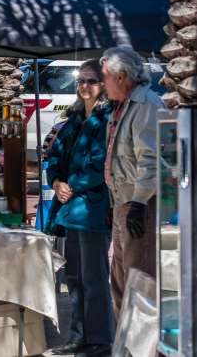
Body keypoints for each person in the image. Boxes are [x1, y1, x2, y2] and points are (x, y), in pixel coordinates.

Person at [45, 59, 114, 357]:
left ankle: (99, 340)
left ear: (104, 85)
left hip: (93, 210)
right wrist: (57, 181)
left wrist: (70, 184)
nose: (85, 86)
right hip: (70, 210)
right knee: (73, 277)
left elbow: (101, 164)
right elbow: (55, 156)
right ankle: (79, 336)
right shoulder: (73, 118)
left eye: (92, 81)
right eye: (82, 81)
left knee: (94, 278)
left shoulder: (108, 119)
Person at [102, 45, 165, 317]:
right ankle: (124, 343)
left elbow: (150, 160)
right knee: (119, 280)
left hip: (138, 203)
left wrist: (139, 203)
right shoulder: (123, 106)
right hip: (122, 201)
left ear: (121, 76)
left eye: (105, 77)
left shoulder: (146, 104)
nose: (103, 84)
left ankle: (140, 345)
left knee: (138, 280)